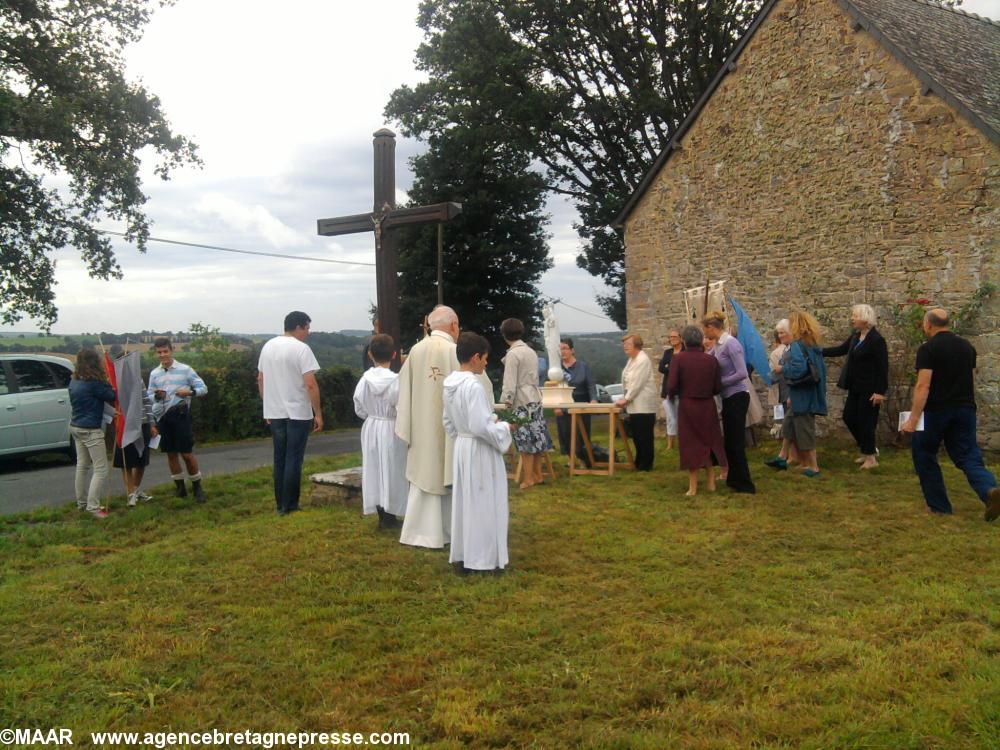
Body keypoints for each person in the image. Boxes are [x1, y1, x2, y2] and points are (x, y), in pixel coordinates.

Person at [901, 309, 1000, 520]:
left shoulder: (928, 349)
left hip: (936, 410)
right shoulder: (967, 347)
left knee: (925, 453)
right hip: (964, 408)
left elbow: (923, 386)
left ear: (929, 325)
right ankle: (989, 489)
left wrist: (913, 418)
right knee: (968, 455)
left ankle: (939, 506)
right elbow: (970, 379)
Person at [443, 333, 513, 573]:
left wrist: (468, 433)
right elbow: (480, 427)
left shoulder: (450, 384)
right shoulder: (473, 385)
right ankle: (482, 559)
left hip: (463, 447)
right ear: (475, 357)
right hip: (479, 449)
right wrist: (504, 427)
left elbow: (449, 422)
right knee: (483, 501)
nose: (486, 363)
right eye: (484, 358)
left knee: (466, 502)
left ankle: (465, 555)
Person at [395, 305, 462, 549]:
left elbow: (403, 390)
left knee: (425, 470)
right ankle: (449, 531)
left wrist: (407, 424)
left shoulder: (415, 350)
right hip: (449, 429)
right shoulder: (456, 351)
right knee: (446, 471)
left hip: (421, 428)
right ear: (454, 326)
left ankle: (420, 532)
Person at [257, 311, 322, 516]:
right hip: (297, 412)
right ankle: (290, 505)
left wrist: (267, 405)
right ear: (299, 327)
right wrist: (318, 413)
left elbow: (260, 379)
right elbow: (310, 383)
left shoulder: (268, 346)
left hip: (275, 411)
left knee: (280, 458)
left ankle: (280, 504)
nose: (308, 333)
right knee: (294, 458)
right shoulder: (301, 349)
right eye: (307, 328)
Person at [822, 303, 888, 470]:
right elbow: (840, 350)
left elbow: (882, 368)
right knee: (849, 417)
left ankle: (871, 458)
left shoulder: (877, 340)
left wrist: (880, 392)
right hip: (855, 387)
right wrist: (818, 351)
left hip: (870, 388)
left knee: (867, 422)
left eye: (855, 316)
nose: (852, 319)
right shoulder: (855, 336)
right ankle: (868, 449)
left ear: (865, 319)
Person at [353, 333, 408, 528]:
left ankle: (382, 514)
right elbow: (403, 407)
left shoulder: (364, 380)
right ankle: (391, 515)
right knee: (393, 468)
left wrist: (371, 415)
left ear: (370, 355)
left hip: (372, 426)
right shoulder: (397, 381)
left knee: (374, 467)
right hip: (391, 426)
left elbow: (358, 407)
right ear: (394, 354)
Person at [667, 326, 727, 495]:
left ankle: (692, 487)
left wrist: (672, 395)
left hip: (687, 406)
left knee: (691, 444)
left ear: (684, 341)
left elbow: (671, 385)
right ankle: (711, 482)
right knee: (708, 442)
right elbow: (717, 387)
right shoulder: (711, 360)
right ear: (701, 340)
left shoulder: (678, 359)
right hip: (707, 405)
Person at [148, 337, 208, 502]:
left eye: (165, 351)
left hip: (180, 416)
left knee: (187, 454)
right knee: (171, 454)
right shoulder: (154, 373)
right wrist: (156, 395)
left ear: (171, 350)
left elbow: (203, 388)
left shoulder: (185, 369)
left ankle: (197, 487)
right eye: (159, 352)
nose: (162, 355)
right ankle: (180, 488)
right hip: (162, 417)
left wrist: (189, 393)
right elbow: (149, 396)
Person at [702, 311, 755, 493]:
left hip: (737, 396)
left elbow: (742, 372)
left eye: (705, 330)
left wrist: (720, 383)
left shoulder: (731, 344)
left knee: (736, 442)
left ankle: (745, 483)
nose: (704, 335)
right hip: (727, 398)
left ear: (711, 328)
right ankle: (734, 479)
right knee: (730, 442)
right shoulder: (717, 346)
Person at [500, 318, 551, 489]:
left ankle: (528, 478)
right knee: (537, 439)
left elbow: (510, 383)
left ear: (504, 334)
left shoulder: (513, 354)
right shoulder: (530, 351)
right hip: (535, 398)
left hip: (521, 401)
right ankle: (537, 475)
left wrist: (506, 402)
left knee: (524, 441)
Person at [69, 348, 117, 518]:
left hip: (75, 426)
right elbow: (112, 395)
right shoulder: (95, 383)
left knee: (82, 466)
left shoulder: (74, 381)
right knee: (101, 469)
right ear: (95, 363)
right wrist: (110, 382)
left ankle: (82, 503)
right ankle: (93, 507)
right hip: (90, 429)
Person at [779, 311, 827, 478]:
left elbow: (799, 369)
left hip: (803, 393)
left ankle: (813, 467)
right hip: (811, 392)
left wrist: (783, 369)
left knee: (805, 429)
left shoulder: (799, 345)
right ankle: (790, 458)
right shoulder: (813, 344)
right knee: (792, 424)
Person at [615, 334, 658, 471]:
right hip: (635, 405)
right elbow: (627, 380)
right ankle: (639, 461)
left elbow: (637, 383)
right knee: (637, 436)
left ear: (637, 345)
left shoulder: (642, 360)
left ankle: (646, 465)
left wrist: (626, 398)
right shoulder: (632, 360)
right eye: (624, 344)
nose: (625, 346)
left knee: (644, 436)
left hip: (644, 405)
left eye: (628, 344)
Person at [554, 337, 597, 460]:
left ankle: (583, 459)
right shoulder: (556, 370)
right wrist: (556, 406)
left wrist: (593, 399)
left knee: (581, 435)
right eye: (560, 349)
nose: (563, 351)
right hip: (563, 405)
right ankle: (571, 459)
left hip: (581, 403)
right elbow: (553, 388)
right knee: (565, 433)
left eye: (565, 348)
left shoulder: (583, 367)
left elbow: (591, 385)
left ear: (572, 350)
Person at [658, 329, 683, 450]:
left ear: (681, 338)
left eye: (674, 337)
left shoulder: (685, 351)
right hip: (668, 388)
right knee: (670, 418)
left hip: (681, 390)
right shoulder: (668, 352)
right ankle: (670, 444)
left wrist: (671, 367)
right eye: (670, 337)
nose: (672, 339)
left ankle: (683, 442)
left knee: (682, 418)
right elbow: (661, 367)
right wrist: (673, 370)